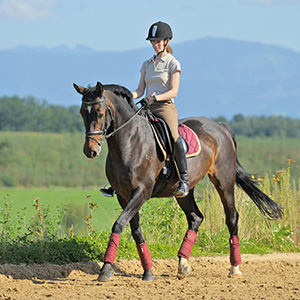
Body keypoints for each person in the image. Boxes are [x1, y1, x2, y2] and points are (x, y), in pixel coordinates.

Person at [101, 21, 188, 198]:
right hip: (147, 106)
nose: (155, 44)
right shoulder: (147, 64)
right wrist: (125, 99)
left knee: (173, 136)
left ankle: (184, 179)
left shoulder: (173, 63)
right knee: (127, 134)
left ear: (166, 41)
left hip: (165, 107)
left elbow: (174, 91)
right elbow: (140, 90)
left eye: (158, 41)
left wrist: (154, 97)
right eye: (153, 42)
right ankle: (116, 180)